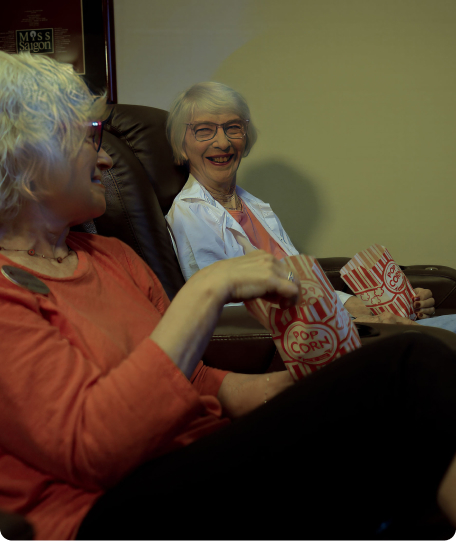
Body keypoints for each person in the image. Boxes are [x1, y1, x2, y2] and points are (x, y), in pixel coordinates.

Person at [1, 52, 456, 541]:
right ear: (26, 152)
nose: (107, 157)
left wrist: (316, 384)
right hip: (102, 507)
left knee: (399, 405)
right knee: (413, 364)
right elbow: (94, 449)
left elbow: (198, 382)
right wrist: (206, 289)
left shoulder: (111, 256)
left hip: (198, 458)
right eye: (90, 137)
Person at [165, 81, 456, 332]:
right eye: (204, 130)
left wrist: (387, 304)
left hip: (331, 325)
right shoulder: (190, 215)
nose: (223, 141)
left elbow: (303, 281)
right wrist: (358, 321)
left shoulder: (253, 206)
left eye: (233, 128)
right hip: (307, 342)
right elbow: (227, 312)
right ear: (181, 145)